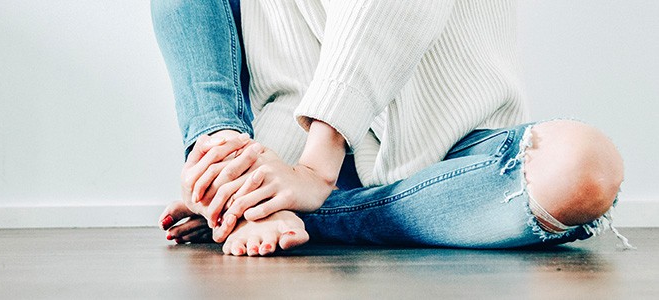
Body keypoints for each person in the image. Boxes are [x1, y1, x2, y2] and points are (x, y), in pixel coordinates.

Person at [151, 0, 631, 256]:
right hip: (282, 152)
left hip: (452, 152)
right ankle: (229, 174)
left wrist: (315, 171)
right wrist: (240, 165)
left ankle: (287, 212)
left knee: (584, 166)